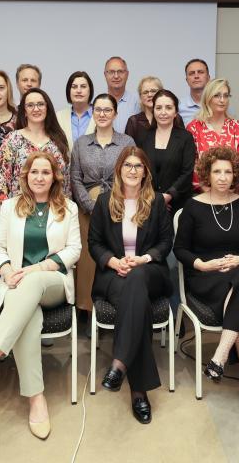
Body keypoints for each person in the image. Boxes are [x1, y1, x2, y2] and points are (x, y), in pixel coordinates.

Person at [0, 152, 81, 440]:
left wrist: (37, 269)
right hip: (16, 283)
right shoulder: (9, 207)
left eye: (46, 172)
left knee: (30, 286)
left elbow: (73, 250)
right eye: (35, 172)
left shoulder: (67, 208)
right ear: (26, 176)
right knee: (28, 317)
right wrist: (6, 271)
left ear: (55, 177)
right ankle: (36, 399)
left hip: (53, 282)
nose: (40, 177)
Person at [173, 146, 239, 421]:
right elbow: (180, 250)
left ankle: (220, 354)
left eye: (227, 172)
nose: (222, 177)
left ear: (235, 175)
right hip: (208, 276)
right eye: (216, 171)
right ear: (207, 173)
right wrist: (201, 264)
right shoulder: (192, 208)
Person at [87, 147, 173, 424]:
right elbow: (94, 243)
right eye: (128, 165)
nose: (133, 170)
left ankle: (119, 363)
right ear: (119, 170)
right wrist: (113, 262)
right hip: (114, 274)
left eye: (138, 166)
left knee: (137, 279)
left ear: (145, 171)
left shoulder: (157, 201)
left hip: (150, 272)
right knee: (138, 306)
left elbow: (164, 242)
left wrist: (143, 259)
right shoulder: (103, 202)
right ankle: (138, 391)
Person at [70, 94, 135, 313]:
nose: (102, 114)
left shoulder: (126, 142)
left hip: (121, 205)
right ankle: (87, 308)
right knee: (89, 258)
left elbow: (133, 172)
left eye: (107, 110)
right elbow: (75, 178)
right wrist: (90, 205)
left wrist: (116, 202)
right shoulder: (81, 143)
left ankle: (116, 306)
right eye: (98, 109)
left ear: (115, 113)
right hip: (87, 207)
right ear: (92, 112)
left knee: (117, 255)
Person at [0, 88, 71, 202]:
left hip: (53, 212)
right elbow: (1, 183)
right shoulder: (13, 139)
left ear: (47, 108)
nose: (36, 109)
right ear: (24, 111)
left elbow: (66, 183)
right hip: (19, 212)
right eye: (30, 105)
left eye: (40, 104)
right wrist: (6, 214)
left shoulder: (58, 140)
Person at [186, 79, 239, 192]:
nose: (222, 100)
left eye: (226, 96)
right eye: (217, 95)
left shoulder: (238, 127)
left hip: (233, 194)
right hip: (203, 194)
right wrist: (206, 191)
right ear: (208, 98)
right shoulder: (194, 128)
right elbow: (190, 165)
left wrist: (232, 192)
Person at [140, 89, 195, 213]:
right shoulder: (144, 137)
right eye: (158, 108)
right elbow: (141, 171)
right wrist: (155, 198)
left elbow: (187, 173)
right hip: (149, 204)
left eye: (168, 108)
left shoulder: (185, 137)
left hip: (179, 204)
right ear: (153, 111)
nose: (163, 112)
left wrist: (168, 196)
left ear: (176, 112)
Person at [125, 76, 182, 146]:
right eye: (145, 92)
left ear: (161, 93)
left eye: (153, 91)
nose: (149, 95)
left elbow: (183, 143)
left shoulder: (175, 118)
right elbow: (128, 150)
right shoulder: (133, 121)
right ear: (140, 97)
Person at [55, 71, 95, 150]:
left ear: (90, 91)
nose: (79, 90)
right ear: (69, 91)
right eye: (74, 87)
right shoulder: (59, 116)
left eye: (83, 86)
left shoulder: (100, 115)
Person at [104, 56, 140, 134]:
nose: (116, 76)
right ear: (105, 75)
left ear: (127, 74)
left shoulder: (138, 103)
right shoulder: (97, 104)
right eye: (111, 72)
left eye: (120, 71)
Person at [178, 59, 211, 127]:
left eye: (201, 72)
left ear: (208, 77)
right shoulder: (178, 107)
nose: (196, 76)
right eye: (192, 73)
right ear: (187, 80)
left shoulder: (219, 105)